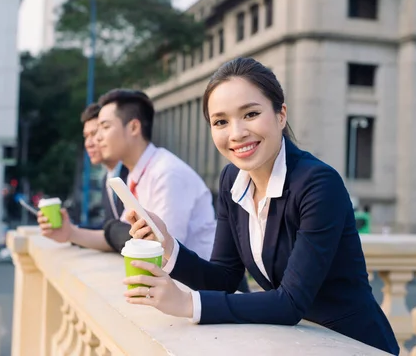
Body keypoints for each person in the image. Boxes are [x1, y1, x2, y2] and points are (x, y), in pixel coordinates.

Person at [123, 58, 400, 354]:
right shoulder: (232, 180)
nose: (237, 133)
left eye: (251, 114)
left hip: (353, 344)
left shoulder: (318, 184)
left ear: (281, 115)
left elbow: (290, 302)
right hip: (297, 344)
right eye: (220, 122)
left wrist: (186, 303)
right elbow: (224, 277)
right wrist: (166, 243)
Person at [38, 89, 216, 260]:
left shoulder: (167, 174)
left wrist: (115, 230)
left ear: (133, 127)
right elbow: (120, 239)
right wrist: (69, 233)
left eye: (104, 127)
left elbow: (163, 252)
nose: (98, 138)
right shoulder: (136, 174)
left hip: (206, 288)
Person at [80, 103, 129, 228]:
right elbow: (109, 227)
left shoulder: (133, 175)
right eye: (86, 136)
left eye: (94, 133)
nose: (89, 143)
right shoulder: (106, 179)